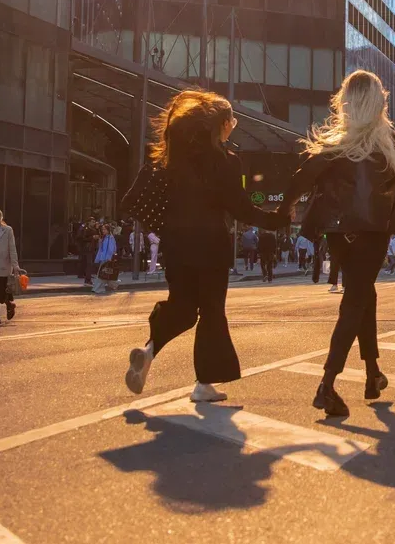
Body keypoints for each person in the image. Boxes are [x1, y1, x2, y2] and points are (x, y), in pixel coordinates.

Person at [277, 70, 395, 418]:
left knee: (364, 294)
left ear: (346, 101)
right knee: (355, 300)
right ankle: (327, 384)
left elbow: (302, 177)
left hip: (338, 234)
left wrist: (285, 207)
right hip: (371, 234)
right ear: (378, 101)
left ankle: (372, 374)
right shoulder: (388, 143)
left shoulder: (336, 143)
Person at [120, 90, 286, 401]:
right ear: (222, 124)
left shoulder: (173, 159)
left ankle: (148, 351)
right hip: (211, 246)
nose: (233, 126)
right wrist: (276, 220)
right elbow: (240, 208)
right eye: (232, 121)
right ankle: (203, 384)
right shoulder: (225, 162)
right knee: (211, 311)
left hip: (176, 245)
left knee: (183, 307)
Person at [93, 224, 117, 294]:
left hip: (107, 258)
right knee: (105, 274)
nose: (103, 231)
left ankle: (97, 288)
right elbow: (101, 248)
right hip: (103, 257)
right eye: (102, 229)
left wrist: (109, 258)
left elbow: (111, 249)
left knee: (101, 274)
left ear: (108, 230)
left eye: (104, 229)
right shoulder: (104, 237)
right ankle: (114, 285)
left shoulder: (110, 238)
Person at [79, 216, 99, 285]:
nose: (93, 223)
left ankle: (87, 277)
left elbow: (97, 235)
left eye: (94, 222)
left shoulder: (94, 229)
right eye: (92, 222)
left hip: (92, 248)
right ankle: (87, 279)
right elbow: (83, 238)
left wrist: (96, 237)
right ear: (89, 222)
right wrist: (92, 237)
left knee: (88, 263)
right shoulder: (85, 229)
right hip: (87, 248)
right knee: (89, 264)